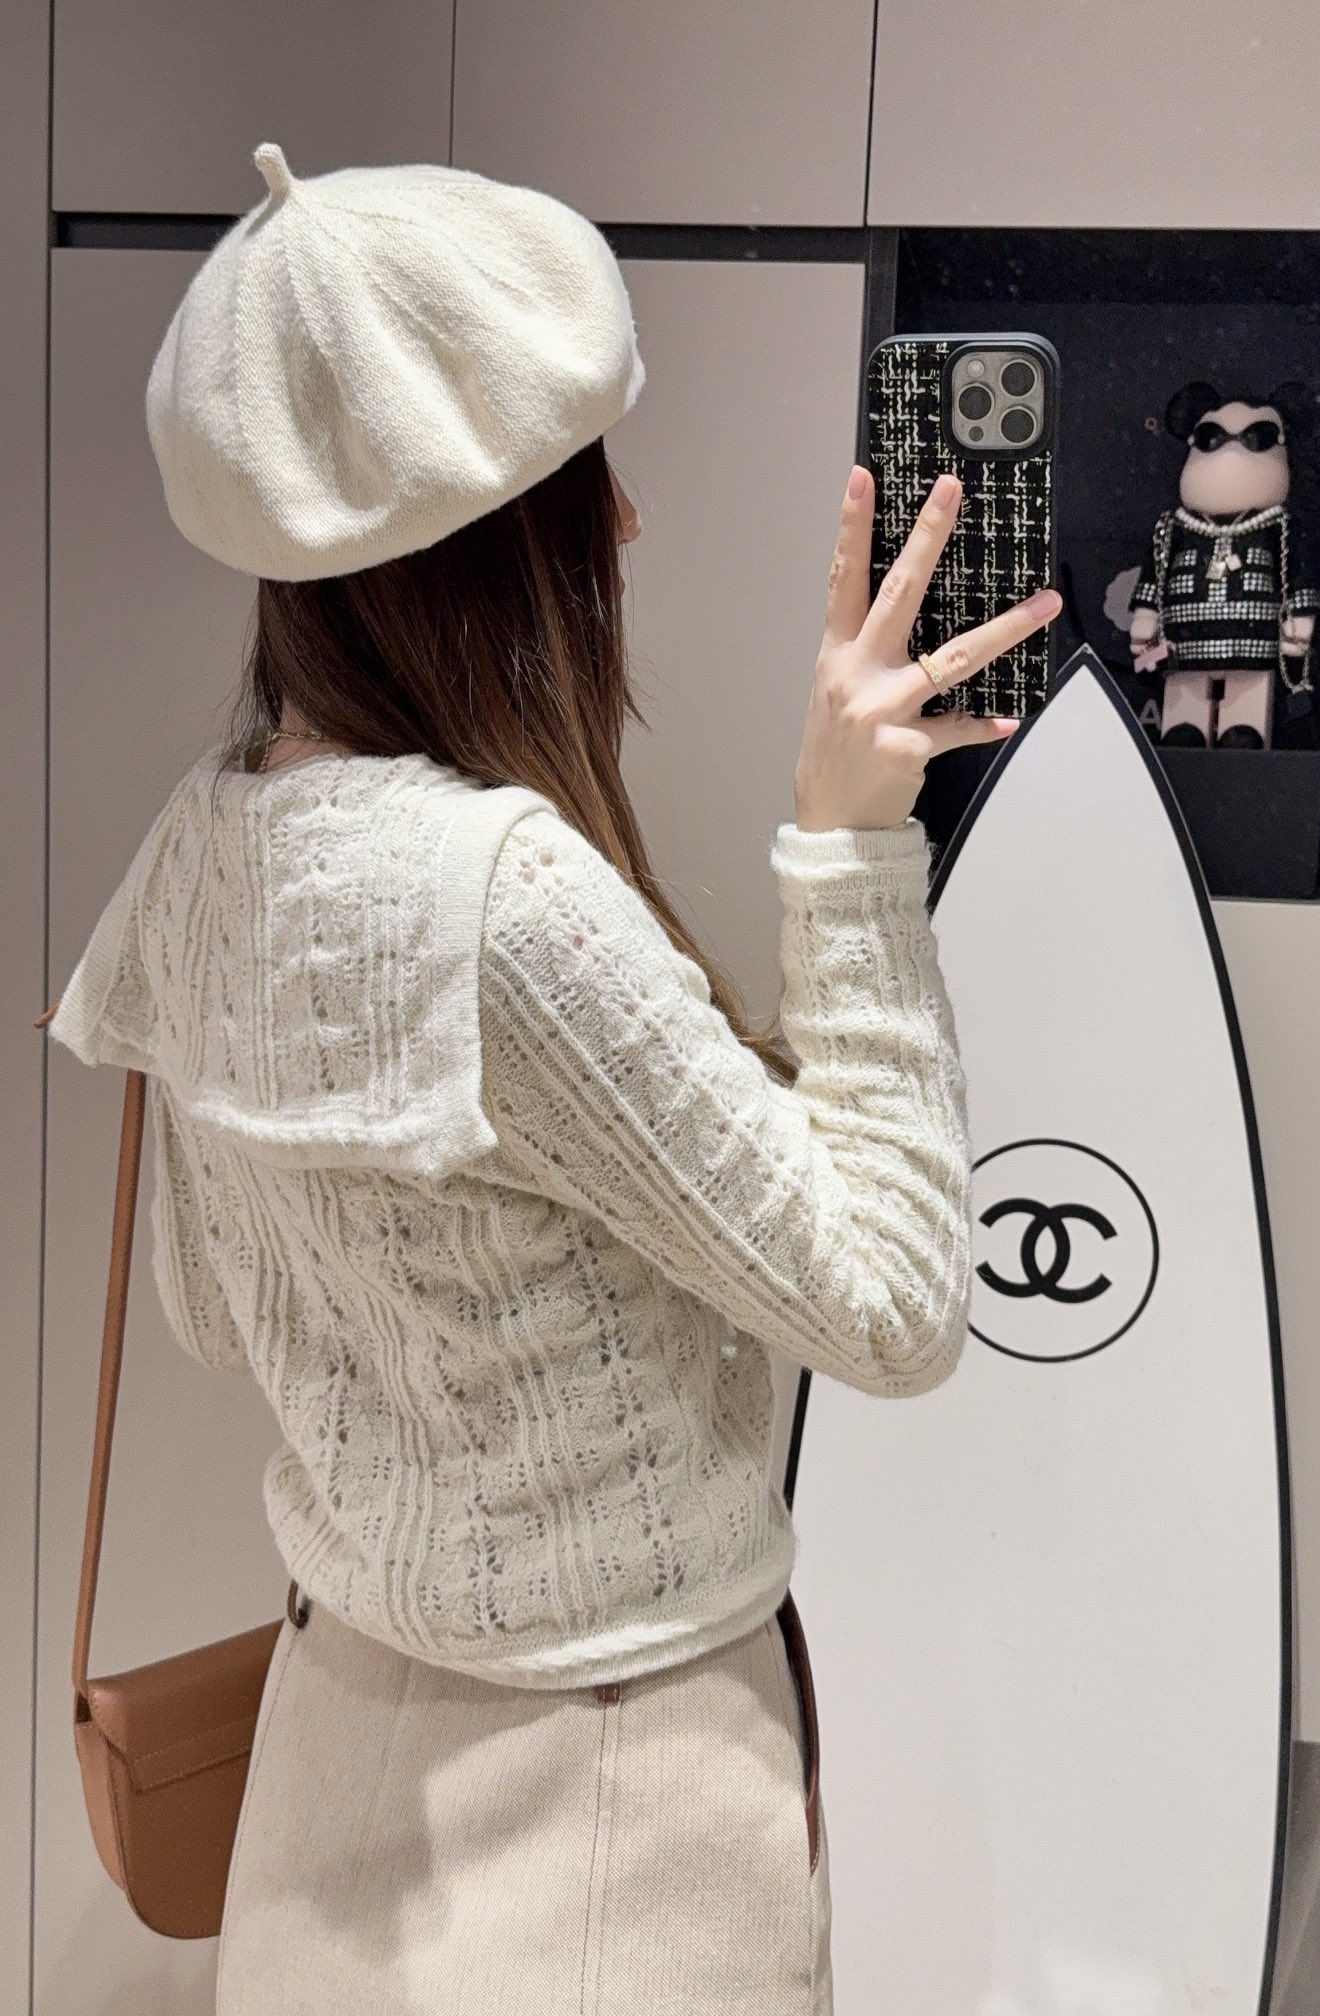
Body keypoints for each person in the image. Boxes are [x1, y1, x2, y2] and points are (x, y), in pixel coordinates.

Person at [43, 142, 1060, 2015]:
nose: (629, 525)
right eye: (590, 476)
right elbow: (899, 1307)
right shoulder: (500, 895)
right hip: (606, 1805)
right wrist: (849, 846)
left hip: (328, 1763)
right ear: (492, 532)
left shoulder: (200, 847)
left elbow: (214, 1305)